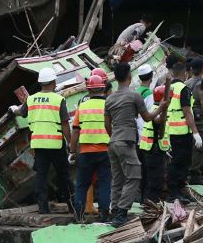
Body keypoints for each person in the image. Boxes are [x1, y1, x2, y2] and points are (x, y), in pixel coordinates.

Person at [104, 62, 168, 227]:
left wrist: (115, 137)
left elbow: (106, 124)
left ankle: (114, 209)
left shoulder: (109, 98)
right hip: (126, 141)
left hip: (113, 142)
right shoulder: (134, 96)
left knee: (118, 178)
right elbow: (147, 118)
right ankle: (121, 213)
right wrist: (161, 107)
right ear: (129, 77)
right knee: (134, 176)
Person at [19, 67, 72, 214]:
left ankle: (43, 207)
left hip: (38, 143)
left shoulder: (31, 99)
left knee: (41, 175)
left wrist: (13, 109)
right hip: (56, 143)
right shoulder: (58, 99)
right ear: (53, 82)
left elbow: (22, 114)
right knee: (63, 175)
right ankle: (71, 204)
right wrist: (71, 144)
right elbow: (65, 124)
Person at [69, 75, 112, 223]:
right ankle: (104, 215)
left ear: (88, 89)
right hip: (105, 150)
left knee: (82, 184)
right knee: (105, 183)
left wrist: (72, 151)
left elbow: (75, 130)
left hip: (86, 152)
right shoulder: (109, 105)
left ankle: (79, 216)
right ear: (103, 88)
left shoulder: (82, 107)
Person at [166, 62, 202, 202]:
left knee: (175, 162)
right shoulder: (183, 89)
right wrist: (196, 133)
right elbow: (187, 111)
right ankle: (175, 192)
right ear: (185, 73)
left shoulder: (167, 88)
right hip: (181, 132)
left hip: (170, 130)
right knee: (181, 163)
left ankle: (177, 191)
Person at [139, 85, 171, 203]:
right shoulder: (155, 110)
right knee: (155, 180)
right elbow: (157, 120)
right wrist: (163, 109)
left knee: (147, 178)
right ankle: (151, 204)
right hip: (154, 150)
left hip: (151, 149)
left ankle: (145, 201)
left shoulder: (153, 108)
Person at [185, 58, 203, 184]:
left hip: (187, 116)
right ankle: (194, 174)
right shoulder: (201, 84)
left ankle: (189, 170)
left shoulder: (186, 82)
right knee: (202, 143)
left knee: (191, 143)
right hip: (199, 116)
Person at [135, 64, 154, 137]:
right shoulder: (148, 94)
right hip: (146, 131)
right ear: (151, 76)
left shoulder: (137, 91)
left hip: (137, 129)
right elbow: (150, 114)